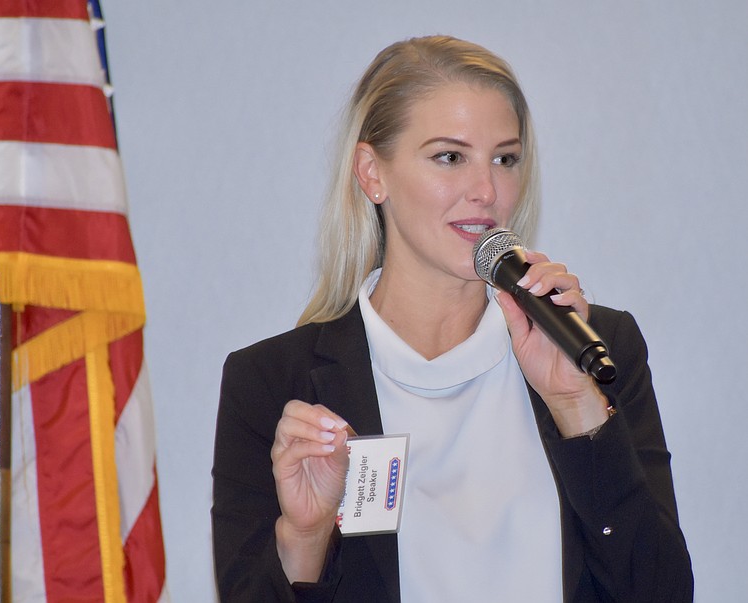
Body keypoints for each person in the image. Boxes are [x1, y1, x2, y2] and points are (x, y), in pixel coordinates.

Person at [211, 35, 693, 602]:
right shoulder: (272, 383)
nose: (487, 191)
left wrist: (575, 406)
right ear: (372, 173)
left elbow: (660, 592)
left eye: (505, 159)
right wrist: (306, 536)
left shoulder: (595, 348)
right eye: (450, 157)